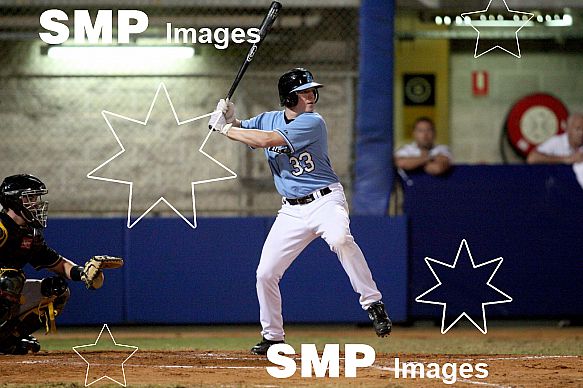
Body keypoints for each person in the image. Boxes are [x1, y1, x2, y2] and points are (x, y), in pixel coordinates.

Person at [208, 68, 391, 355]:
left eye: (311, 91)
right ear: (288, 98)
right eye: (303, 92)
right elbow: (251, 127)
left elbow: (265, 140)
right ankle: (273, 337)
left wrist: (225, 129)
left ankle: (373, 303)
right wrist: (232, 117)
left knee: (340, 239)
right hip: (292, 211)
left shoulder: (313, 122)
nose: (310, 96)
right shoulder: (270, 117)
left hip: (325, 201)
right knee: (265, 273)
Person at [0, 174, 122, 355]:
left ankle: (5, 339)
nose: (36, 203)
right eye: (30, 198)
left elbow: (59, 264)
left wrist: (83, 273)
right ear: (14, 200)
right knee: (10, 280)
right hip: (5, 283)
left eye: (36, 198)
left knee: (57, 291)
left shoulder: (29, 234)